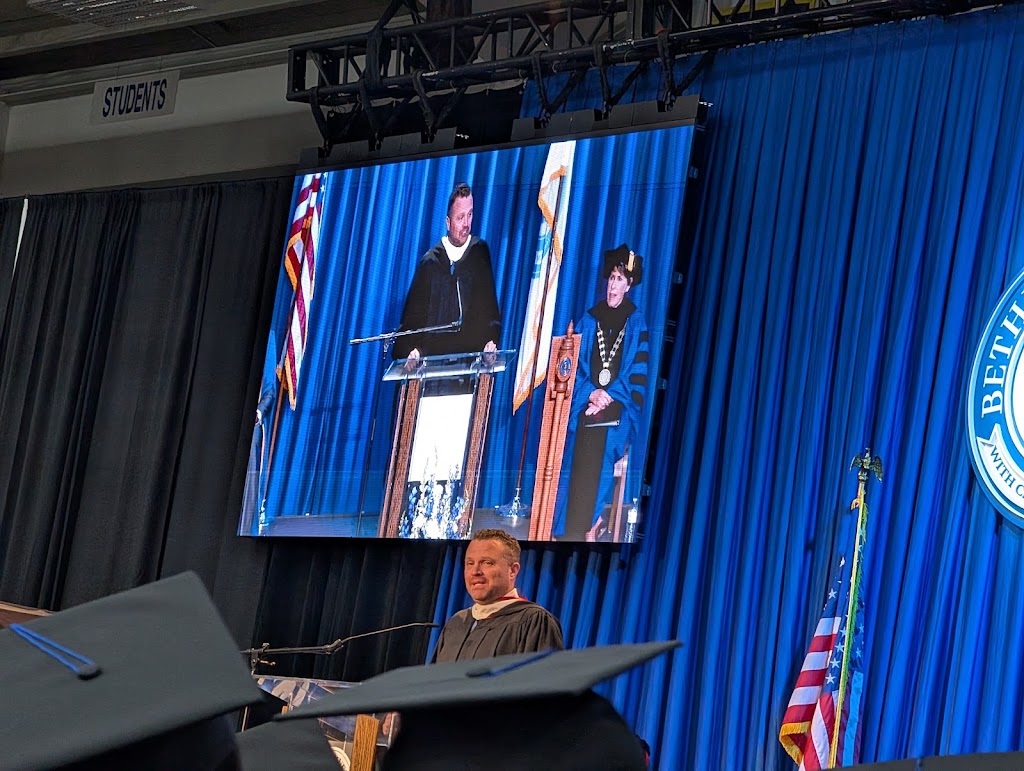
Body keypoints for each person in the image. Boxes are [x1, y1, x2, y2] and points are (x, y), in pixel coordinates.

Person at [553, 245, 649, 542]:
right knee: (575, 444)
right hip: (585, 405)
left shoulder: (636, 325)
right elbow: (573, 370)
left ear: (629, 285)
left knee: (606, 443)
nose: (613, 285)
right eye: (611, 278)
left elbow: (637, 378)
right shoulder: (587, 320)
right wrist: (591, 393)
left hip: (618, 412)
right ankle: (565, 528)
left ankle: (591, 525)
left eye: (620, 279)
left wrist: (608, 398)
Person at [393, 183, 502, 360]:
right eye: (460, 218)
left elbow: (489, 311)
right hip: (431, 371)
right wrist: (411, 350)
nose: (466, 224)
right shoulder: (430, 263)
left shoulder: (479, 253)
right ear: (447, 222)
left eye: (470, 214)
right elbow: (412, 321)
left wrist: (490, 343)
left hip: (468, 368)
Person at [432, 528, 563, 662]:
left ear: (512, 570)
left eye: (487, 563)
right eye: (470, 563)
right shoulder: (456, 622)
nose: (475, 571)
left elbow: (541, 680)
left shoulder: (534, 621)